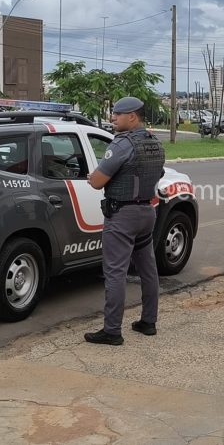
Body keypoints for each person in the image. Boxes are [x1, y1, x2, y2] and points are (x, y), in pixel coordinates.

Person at [84, 96, 165, 345]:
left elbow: (98, 181)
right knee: (148, 269)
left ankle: (112, 331)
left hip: (122, 215)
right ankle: (148, 322)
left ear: (132, 117)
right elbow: (158, 173)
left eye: (117, 115)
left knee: (115, 272)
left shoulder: (121, 144)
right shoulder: (155, 143)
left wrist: (92, 177)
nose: (113, 119)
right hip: (147, 212)